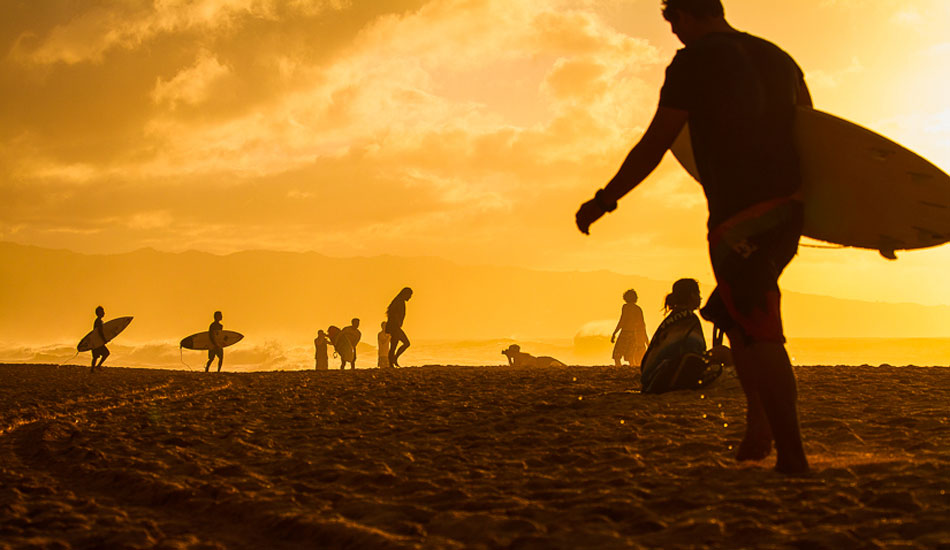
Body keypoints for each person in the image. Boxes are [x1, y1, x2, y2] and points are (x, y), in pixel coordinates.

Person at [575, 0, 811, 473]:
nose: (676, 35)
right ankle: (758, 423)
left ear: (681, 15)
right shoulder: (778, 56)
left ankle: (792, 454)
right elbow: (813, 135)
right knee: (733, 313)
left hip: (739, 216)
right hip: (789, 211)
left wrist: (605, 199)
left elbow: (657, 142)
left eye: (673, 24)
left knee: (760, 326)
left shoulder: (695, 61)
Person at [639, 279, 708, 392]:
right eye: (698, 293)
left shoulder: (673, 317)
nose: (700, 298)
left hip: (650, 377)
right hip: (662, 378)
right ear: (692, 295)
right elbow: (696, 350)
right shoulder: (689, 318)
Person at [611, 289, 650, 367]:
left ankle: (619, 369)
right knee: (630, 357)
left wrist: (615, 333)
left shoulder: (626, 307)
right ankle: (632, 369)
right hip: (634, 335)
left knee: (617, 355)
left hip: (625, 333)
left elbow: (622, 321)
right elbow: (642, 325)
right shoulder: (638, 309)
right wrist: (646, 340)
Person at [386, 287, 413, 367]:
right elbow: (394, 315)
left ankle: (392, 361)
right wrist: (397, 323)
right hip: (394, 327)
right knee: (406, 343)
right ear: (405, 294)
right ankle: (393, 360)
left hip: (394, 326)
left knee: (394, 345)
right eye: (409, 295)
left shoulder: (399, 301)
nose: (410, 297)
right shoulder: (399, 302)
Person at [90, 305, 110, 372]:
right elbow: (100, 332)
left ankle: (92, 369)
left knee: (95, 356)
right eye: (102, 311)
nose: (104, 313)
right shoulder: (98, 321)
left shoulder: (98, 321)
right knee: (106, 353)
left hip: (96, 341)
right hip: (98, 341)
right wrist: (104, 339)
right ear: (98, 313)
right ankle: (97, 366)